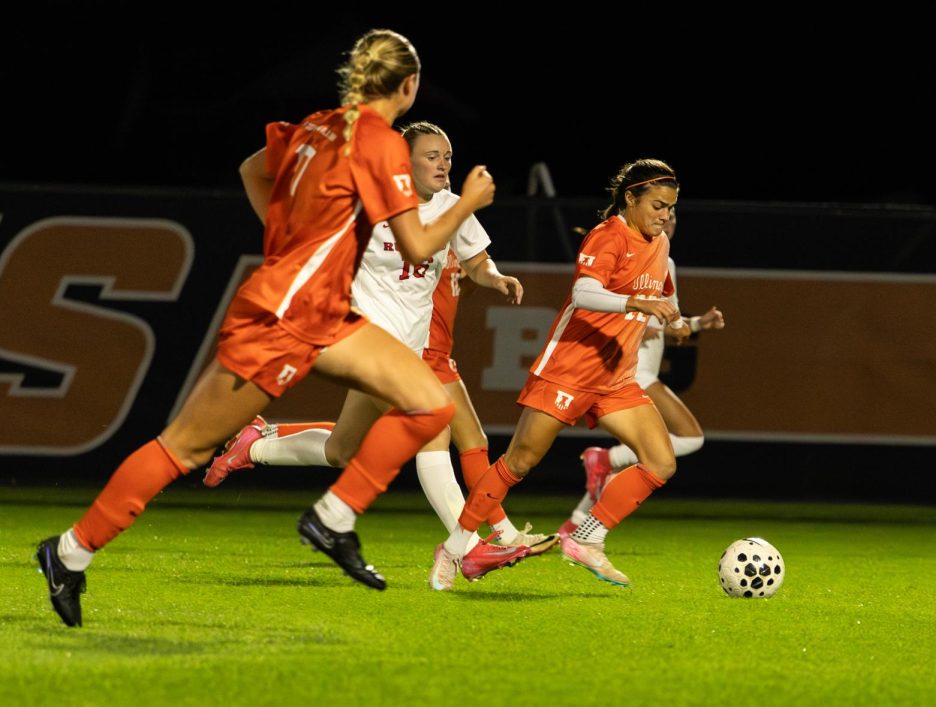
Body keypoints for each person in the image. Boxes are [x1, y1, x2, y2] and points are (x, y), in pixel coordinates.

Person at [34, 29, 499, 628]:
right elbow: (418, 241)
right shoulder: (381, 144)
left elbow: (252, 170)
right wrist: (468, 204)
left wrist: (287, 240)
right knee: (185, 447)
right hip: (282, 318)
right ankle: (68, 552)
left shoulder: (317, 125)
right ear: (408, 87)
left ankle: (332, 518)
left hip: (327, 314)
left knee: (428, 402)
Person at [203, 121, 555, 556]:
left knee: (341, 449)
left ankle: (254, 447)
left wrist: (496, 278)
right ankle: (467, 549)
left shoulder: (452, 206)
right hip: (367, 342)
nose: (444, 164)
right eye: (432, 156)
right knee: (433, 431)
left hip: (410, 346)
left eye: (447, 156)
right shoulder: (367, 201)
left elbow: (477, 261)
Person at [428, 158, 689, 591]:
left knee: (661, 461)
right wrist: (635, 305)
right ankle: (454, 550)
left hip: (616, 377)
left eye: (671, 208)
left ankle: (589, 537)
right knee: (519, 462)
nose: (665, 216)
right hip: (568, 370)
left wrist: (677, 321)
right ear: (630, 198)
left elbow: (658, 292)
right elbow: (585, 292)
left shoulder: (659, 244)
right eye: (658, 205)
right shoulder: (609, 236)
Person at [562, 209, 725, 535]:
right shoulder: (628, 253)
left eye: (674, 214)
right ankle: (604, 460)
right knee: (688, 438)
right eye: (661, 209)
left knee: (647, 456)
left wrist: (696, 324)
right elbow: (610, 307)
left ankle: (577, 525)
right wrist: (638, 318)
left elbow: (665, 323)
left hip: (640, 371)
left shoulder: (666, 261)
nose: (668, 219)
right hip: (630, 371)